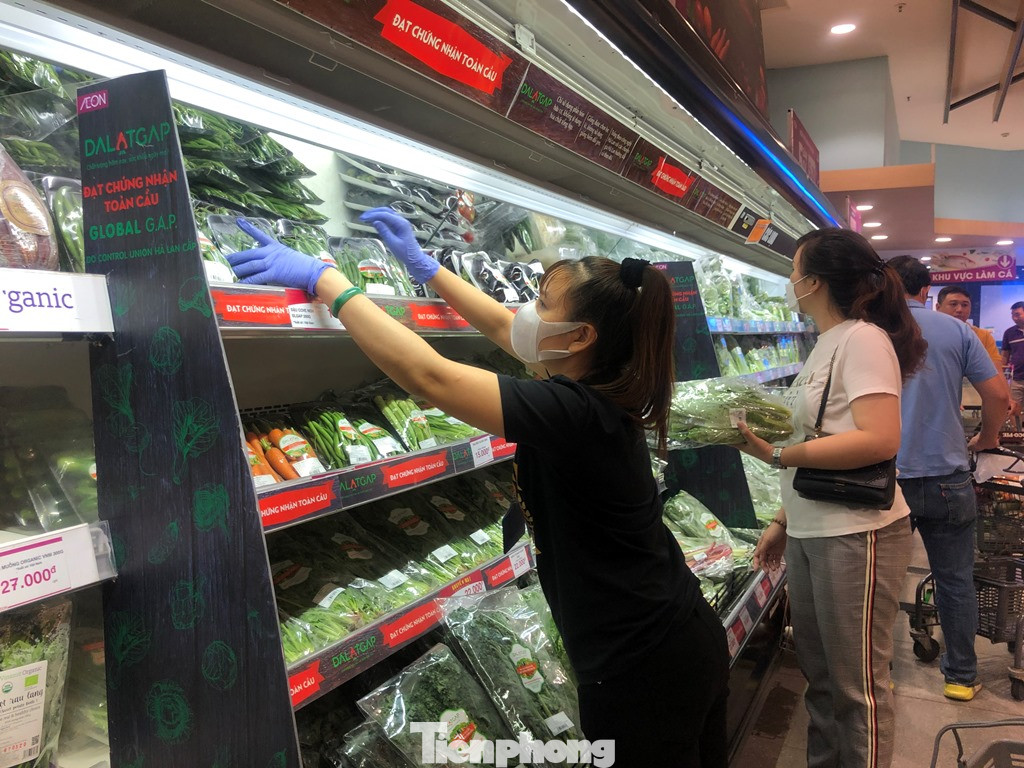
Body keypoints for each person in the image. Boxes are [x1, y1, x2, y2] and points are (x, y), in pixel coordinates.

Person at [226, 211, 729, 767]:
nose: (526, 313)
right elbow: (505, 329)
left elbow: (431, 376)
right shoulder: (597, 386)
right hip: (675, 633)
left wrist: (327, 282)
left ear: (581, 336)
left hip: (644, 668)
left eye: (541, 304)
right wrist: (427, 268)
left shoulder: (577, 414)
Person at [737, 229, 926, 768]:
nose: (789, 281)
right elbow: (822, 436)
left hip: (857, 533)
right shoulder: (827, 341)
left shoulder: (864, 339)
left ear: (814, 282)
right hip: (812, 528)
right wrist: (782, 520)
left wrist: (777, 455)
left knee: (857, 686)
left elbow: (880, 438)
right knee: (819, 678)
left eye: (794, 270)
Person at [889, 256, 1008, 701]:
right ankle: (960, 677)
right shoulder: (957, 331)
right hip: (947, 477)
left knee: (879, 581)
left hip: (885, 478)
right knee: (955, 580)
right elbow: (998, 395)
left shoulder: (869, 331)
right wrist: (987, 437)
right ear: (927, 290)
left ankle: (879, 673)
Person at [935, 285, 1002, 369]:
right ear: (938, 307)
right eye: (953, 304)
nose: (959, 309)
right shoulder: (928, 334)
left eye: (964, 305)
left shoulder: (983, 336)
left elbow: (996, 370)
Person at [1002, 301, 1024, 414]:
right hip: (1016, 378)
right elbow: (1005, 355)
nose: (1014, 318)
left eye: (1017, 314)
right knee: (1014, 410)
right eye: (1012, 315)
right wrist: (1001, 376)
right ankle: (1016, 427)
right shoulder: (1009, 333)